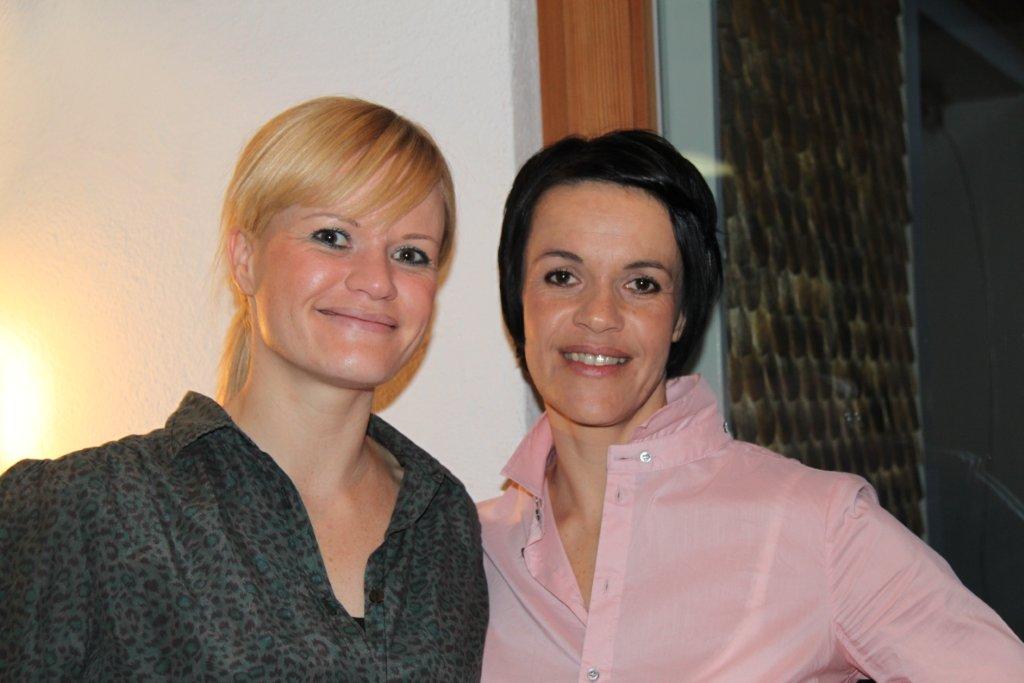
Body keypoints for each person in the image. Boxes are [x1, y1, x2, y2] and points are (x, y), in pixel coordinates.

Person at [479, 129, 1024, 681]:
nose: (599, 314)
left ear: (681, 316)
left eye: (642, 284)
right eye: (562, 276)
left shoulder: (817, 526)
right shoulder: (470, 553)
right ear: (517, 297)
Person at [0, 97, 487, 679]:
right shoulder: (85, 509)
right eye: (333, 236)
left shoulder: (444, 521)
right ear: (244, 258)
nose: (377, 281)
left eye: (410, 254)